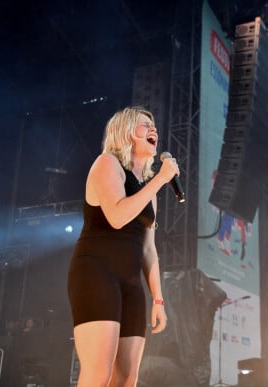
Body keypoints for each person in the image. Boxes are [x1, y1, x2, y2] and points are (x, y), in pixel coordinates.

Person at [67, 106, 178, 386]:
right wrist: (161, 180)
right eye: (144, 125)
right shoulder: (107, 164)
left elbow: (149, 250)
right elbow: (117, 217)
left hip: (130, 283)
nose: (153, 130)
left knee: (128, 378)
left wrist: (159, 299)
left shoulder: (148, 191)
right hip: (95, 273)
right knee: (98, 373)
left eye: (154, 127)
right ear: (125, 132)